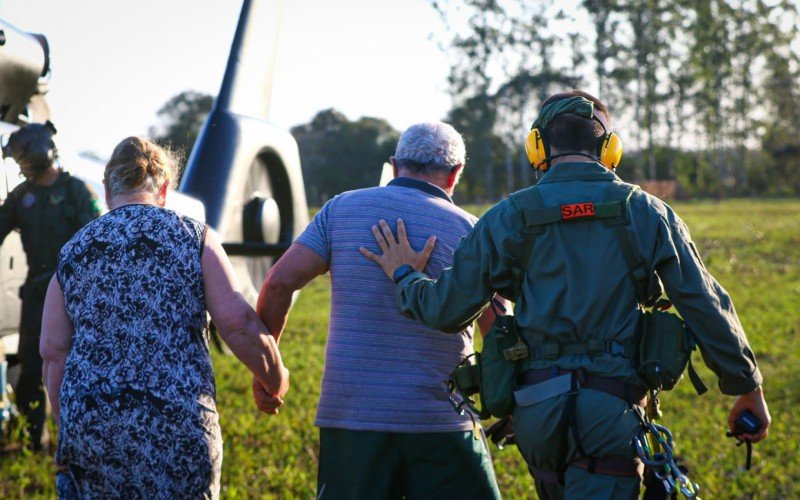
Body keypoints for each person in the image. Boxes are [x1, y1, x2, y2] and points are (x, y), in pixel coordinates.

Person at [362, 91, 771, 499]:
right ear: (610, 149)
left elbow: (446, 310)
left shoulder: (506, 217)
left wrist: (405, 275)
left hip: (537, 412)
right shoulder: (647, 212)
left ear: (537, 147)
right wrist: (747, 386)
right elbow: (704, 303)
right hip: (614, 409)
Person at [257, 122, 502, 499]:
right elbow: (499, 327)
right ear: (456, 173)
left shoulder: (340, 210)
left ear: (393, 164)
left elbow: (278, 284)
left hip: (351, 419)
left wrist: (267, 370)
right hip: (443, 422)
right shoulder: (472, 230)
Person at [39, 136, 289, 498]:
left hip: (92, 429)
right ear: (165, 189)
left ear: (108, 192)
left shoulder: (73, 252)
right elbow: (237, 324)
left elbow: (52, 353)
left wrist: (69, 432)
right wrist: (274, 377)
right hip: (177, 424)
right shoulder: (194, 237)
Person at [0, 121, 101, 450]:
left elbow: (99, 242)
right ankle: (36, 441)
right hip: (38, 291)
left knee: (83, 364)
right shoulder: (22, 196)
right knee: (33, 365)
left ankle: (85, 439)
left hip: (75, 290)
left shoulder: (74, 191)